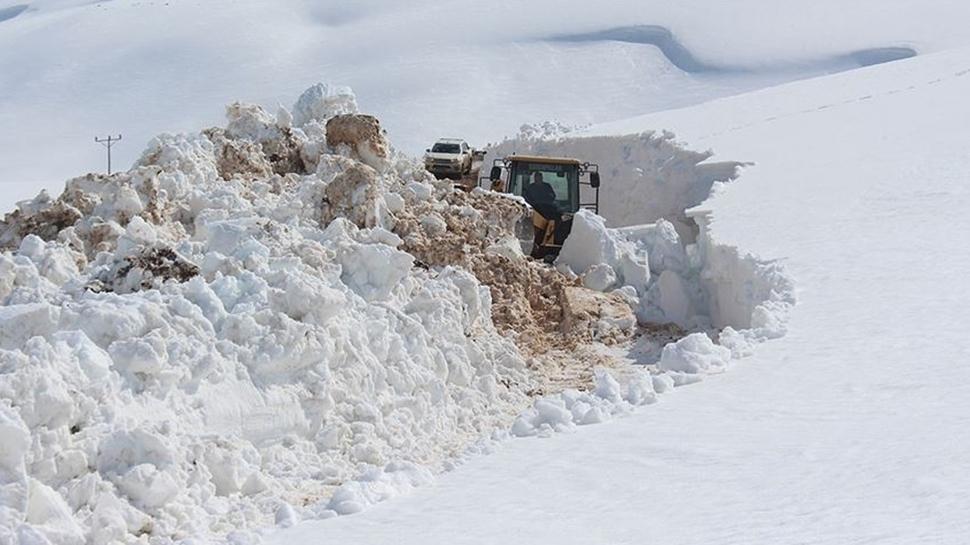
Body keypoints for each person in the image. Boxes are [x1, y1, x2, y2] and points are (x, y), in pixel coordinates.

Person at [522, 172, 559, 258]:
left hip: (548, 210)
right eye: (536, 177)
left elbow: (552, 196)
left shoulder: (547, 187)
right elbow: (526, 198)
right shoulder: (531, 188)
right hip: (533, 208)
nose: (538, 179)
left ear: (541, 178)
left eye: (539, 177)